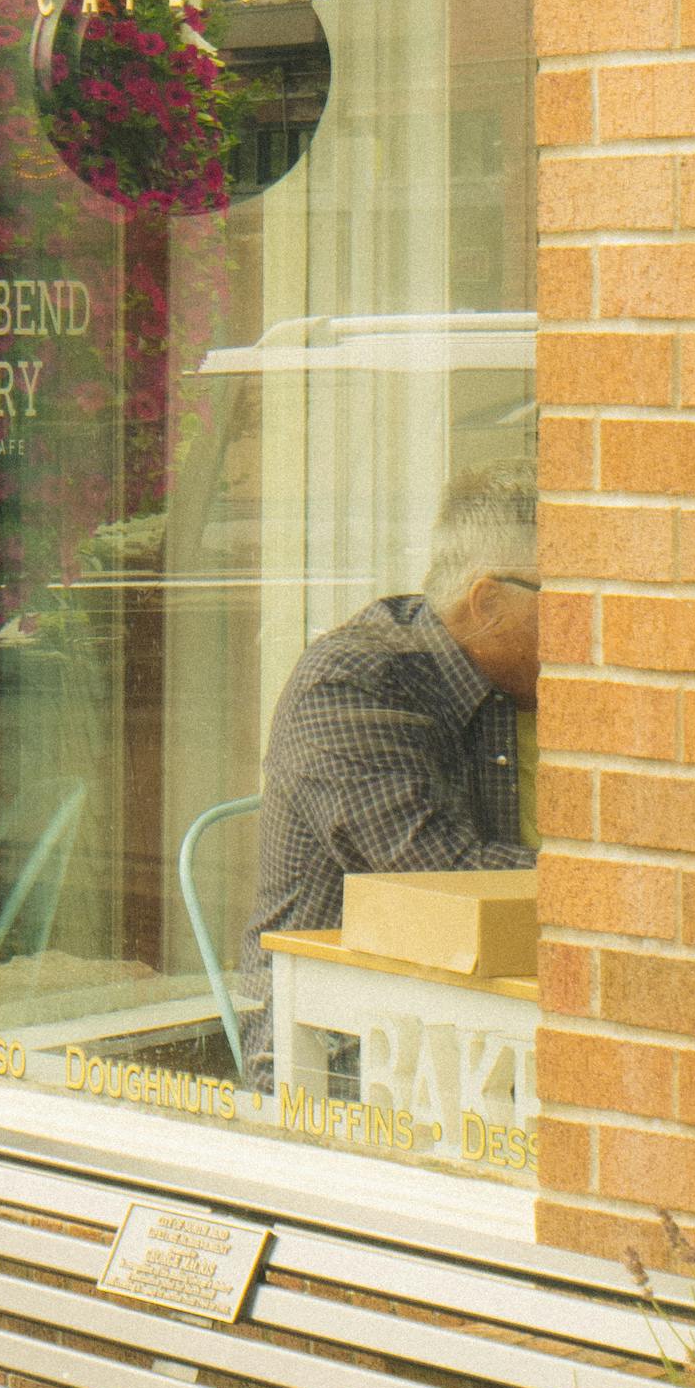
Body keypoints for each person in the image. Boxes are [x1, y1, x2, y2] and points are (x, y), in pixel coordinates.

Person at [236, 462, 539, 1081]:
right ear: (487, 603)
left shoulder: (524, 686)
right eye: (584, 600)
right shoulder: (353, 682)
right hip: (346, 1049)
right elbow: (441, 880)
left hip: (490, 1020)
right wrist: (629, 890)